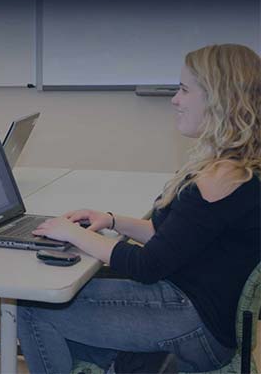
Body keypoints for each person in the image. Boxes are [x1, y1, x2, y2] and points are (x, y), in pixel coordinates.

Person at [18, 44, 261, 372]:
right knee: (68, 305)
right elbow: (170, 238)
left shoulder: (221, 178)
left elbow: (148, 265)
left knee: (35, 308)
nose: (175, 99)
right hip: (201, 312)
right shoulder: (235, 165)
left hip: (196, 325)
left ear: (219, 100)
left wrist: (72, 233)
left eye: (185, 90)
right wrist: (113, 221)